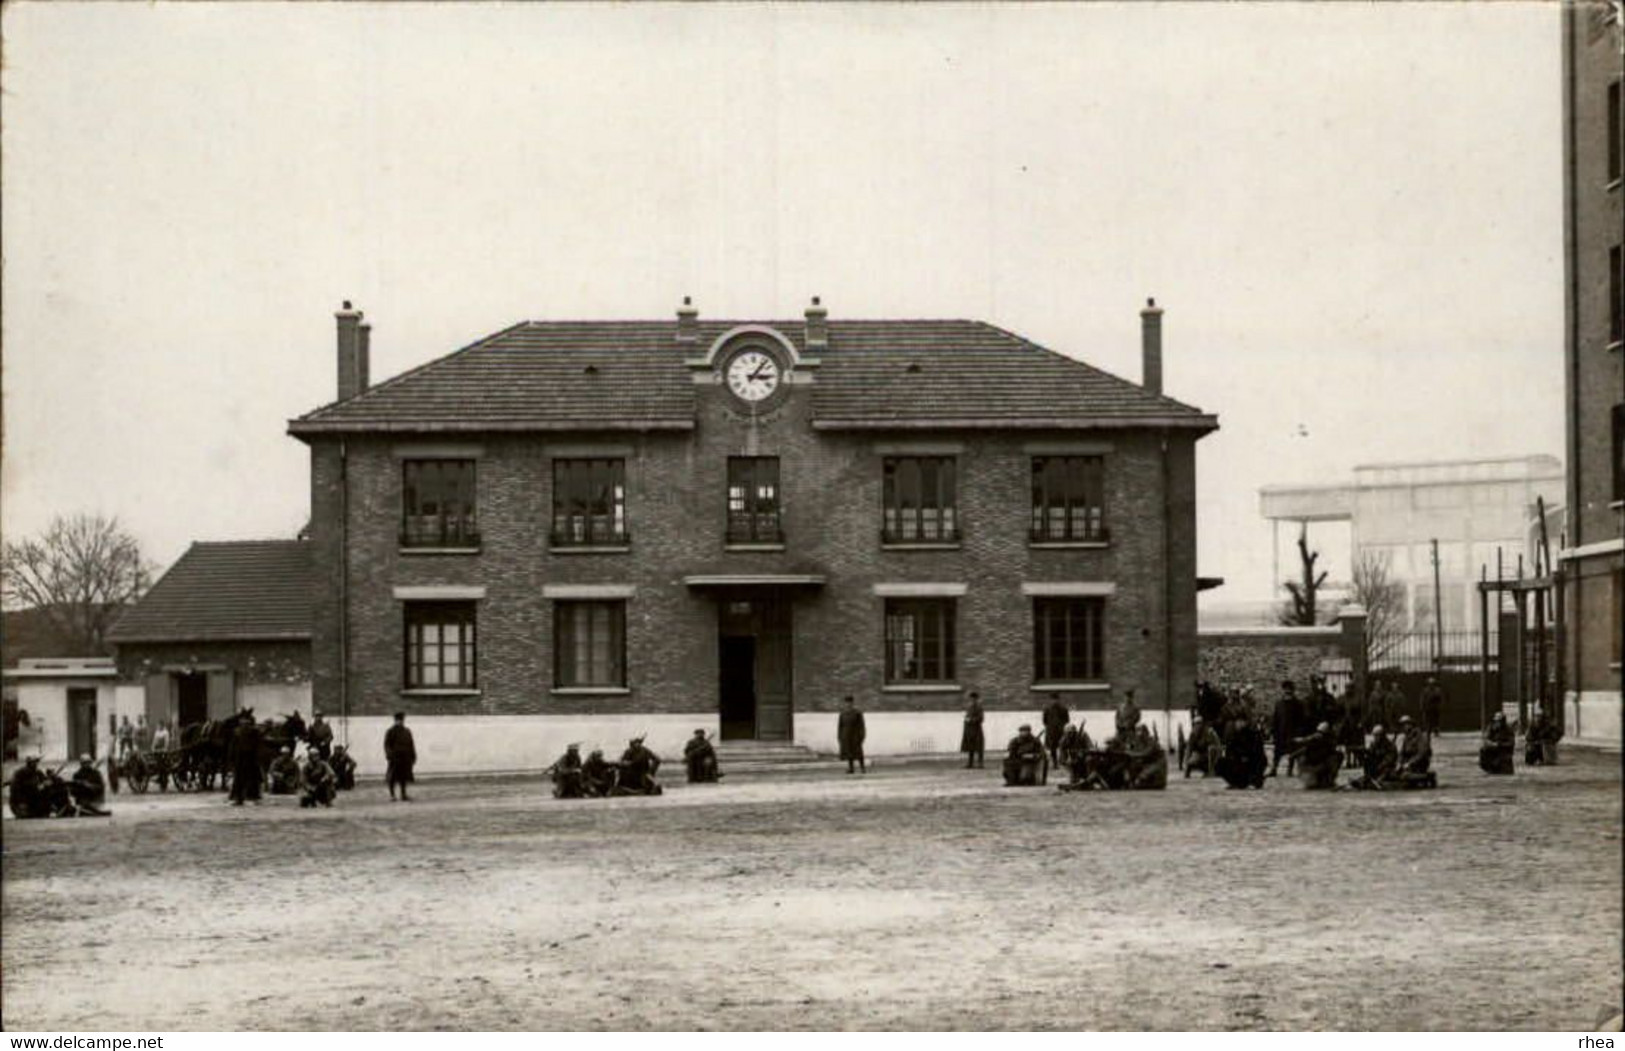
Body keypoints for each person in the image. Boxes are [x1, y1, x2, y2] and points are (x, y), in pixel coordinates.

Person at [1216, 718, 1267, 790]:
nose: (1238, 724)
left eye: (1240, 721)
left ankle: (1254, 781)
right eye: (1237, 722)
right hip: (1239, 763)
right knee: (1221, 763)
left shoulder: (1253, 735)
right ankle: (1235, 782)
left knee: (1255, 763)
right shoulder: (1234, 735)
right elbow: (1229, 751)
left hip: (1251, 763)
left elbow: (1258, 753)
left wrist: (1245, 756)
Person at [1289, 722, 1343, 790]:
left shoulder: (1329, 745)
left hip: (1319, 767)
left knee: (1336, 757)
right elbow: (1303, 745)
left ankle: (1326, 780)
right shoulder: (1313, 742)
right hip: (1311, 769)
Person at [1270, 681, 1305, 778]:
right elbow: (1275, 718)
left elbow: (1301, 720)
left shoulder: (1298, 704)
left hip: (1292, 732)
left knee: (1293, 752)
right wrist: (1273, 730)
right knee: (1277, 752)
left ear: (1293, 691)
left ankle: (1290, 770)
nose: (1287, 691)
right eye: (1286, 689)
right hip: (1281, 732)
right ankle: (1274, 769)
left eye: (1289, 690)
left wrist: (1299, 733)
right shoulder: (1279, 704)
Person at [228, 716, 265, 806]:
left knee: (253, 778)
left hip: (251, 758)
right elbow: (232, 746)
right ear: (241, 724)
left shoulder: (254, 732)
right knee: (239, 779)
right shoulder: (236, 732)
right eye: (243, 723)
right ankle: (239, 798)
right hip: (240, 758)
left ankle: (253, 797)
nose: (245, 725)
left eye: (247, 723)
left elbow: (258, 745)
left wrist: (258, 756)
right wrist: (231, 758)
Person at [1348, 725, 1399, 790]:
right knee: (1367, 761)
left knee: (1386, 770)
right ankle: (1365, 780)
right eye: (1374, 735)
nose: (1375, 737)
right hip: (1377, 768)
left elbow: (1389, 760)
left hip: (1386, 768)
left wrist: (1379, 766)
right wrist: (1360, 751)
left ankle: (1376, 782)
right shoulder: (1374, 744)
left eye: (1376, 735)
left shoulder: (1390, 745)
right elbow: (1370, 753)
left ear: (1381, 735)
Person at [1393, 715, 1436, 788]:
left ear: (1410, 724)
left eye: (1405, 724)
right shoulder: (1407, 738)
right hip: (1407, 764)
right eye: (1402, 725)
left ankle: (1425, 777)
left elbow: (1422, 753)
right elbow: (1402, 753)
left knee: (1404, 776)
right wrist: (1399, 763)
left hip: (1419, 765)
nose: (1403, 727)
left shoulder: (1419, 736)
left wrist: (1409, 763)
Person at [384, 711, 416, 802]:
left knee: (403, 777)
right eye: (398, 720)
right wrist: (389, 755)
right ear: (395, 721)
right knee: (392, 777)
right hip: (395, 758)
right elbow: (387, 745)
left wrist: (413, 756)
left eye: (401, 720)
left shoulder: (407, 731)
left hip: (405, 758)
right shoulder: (390, 731)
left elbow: (411, 744)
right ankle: (392, 795)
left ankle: (403, 794)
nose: (400, 722)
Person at [1127, 724, 1168, 789]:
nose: (1139, 737)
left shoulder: (1151, 742)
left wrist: (1130, 753)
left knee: (1141, 779)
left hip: (1157, 765)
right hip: (1148, 765)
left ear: (1146, 733)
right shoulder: (1139, 743)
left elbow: (1145, 753)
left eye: (1142, 734)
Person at [838, 696, 866, 775]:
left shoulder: (857, 713)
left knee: (858, 752)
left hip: (855, 736)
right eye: (846, 703)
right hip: (846, 735)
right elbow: (840, 726)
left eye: (849, 702)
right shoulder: (842, 714)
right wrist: (840, 736)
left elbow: (861, 725)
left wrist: (862, 736)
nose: (848, 704)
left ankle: (862, 767)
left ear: (852, 703)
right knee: (849, 752)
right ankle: (851, 768)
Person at [1041, 693, 1070, 765]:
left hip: (1061, 730)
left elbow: (1067, 720)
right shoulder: (1047, 709)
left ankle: (1062, 760)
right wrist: (1050, 727)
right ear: (1050, 700)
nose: (1054, 701)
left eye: (1056, 700)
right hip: (1051, 731)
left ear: (1059, 700)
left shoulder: (1064, 709)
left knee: (1063, 745)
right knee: (1052, 747)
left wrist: (1061, 725)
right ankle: (1054, 762)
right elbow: (1044, 721)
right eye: (1053, 700)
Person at [960, 692, 985, 769]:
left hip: (976, 729)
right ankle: (970, 763)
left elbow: (981, 718)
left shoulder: (979, 707)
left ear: (976, 699)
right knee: (971, 746)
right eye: (971, 699)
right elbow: (967, 716)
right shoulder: (969, 707)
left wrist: (971, 720)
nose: (972, 700)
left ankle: (980, 763)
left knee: (979, 746)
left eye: (973, 699)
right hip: (969, 729)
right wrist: (966, 720)